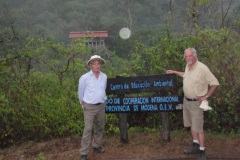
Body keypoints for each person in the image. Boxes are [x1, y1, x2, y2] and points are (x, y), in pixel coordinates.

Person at [166, 48, 219, 160]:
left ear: (195, 55)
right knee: (191, 125)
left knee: (198, 128)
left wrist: (206, 96)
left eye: (190, 56)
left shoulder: (202, 68)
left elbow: (215, 83)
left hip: (196, 103)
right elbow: (186, 75)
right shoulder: (188, 66)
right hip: (186, 101)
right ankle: (195, 145)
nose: (188, 58)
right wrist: (174, 72)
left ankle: (202, 151)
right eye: (186, 56)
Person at [78, 55, 107, 160]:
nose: (96, 65)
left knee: (100, 127)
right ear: (90, 65)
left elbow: (103, 89)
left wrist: (104, 99)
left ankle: (97, 145)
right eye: (94, 63)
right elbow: (80, 92)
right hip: (89, 107)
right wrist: (83, 104)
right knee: (88, 129)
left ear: (101, 65)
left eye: (98, 63)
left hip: (101, 106)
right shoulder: (84, 77)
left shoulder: (104, 76)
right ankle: (84, 152)